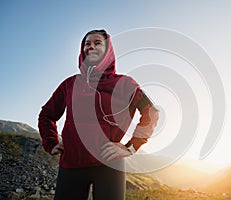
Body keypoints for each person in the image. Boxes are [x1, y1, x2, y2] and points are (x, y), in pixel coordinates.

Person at [38, 29, 159, 200]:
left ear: (108, 50)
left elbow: (151, 113)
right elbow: (46, 114)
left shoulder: (125, 84)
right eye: (87, 44)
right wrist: (50, 142)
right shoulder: (70, 84)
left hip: (110, 164)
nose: (91, 47)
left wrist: (131, 146)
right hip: (72, 163)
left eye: (97, 43)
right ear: (82, 50)